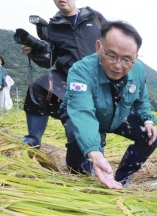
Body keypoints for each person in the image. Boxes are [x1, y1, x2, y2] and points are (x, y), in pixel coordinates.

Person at [61, 20, 157, 189]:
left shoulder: (138, 70)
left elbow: (141, 99)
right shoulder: (80, 71)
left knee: (150, 137)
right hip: (83, 117)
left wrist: (147, 120)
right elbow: (83, 113)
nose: (117, 65)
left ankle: (122, 177)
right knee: (79, 170)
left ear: (135, 57)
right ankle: (84, 162)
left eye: (126, 59)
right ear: (99, 47)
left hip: (117, 115)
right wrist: (95, 153)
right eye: (111, 55)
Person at [20, 0, 106, 148]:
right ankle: (33, 139)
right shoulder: (52, 26)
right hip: (67, 77)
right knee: (38, 88)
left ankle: (94, 154)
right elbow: (48, 61)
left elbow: (113, 41)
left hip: (98, 79)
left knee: (84, 128)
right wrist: (35, 52)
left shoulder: (96, 18)